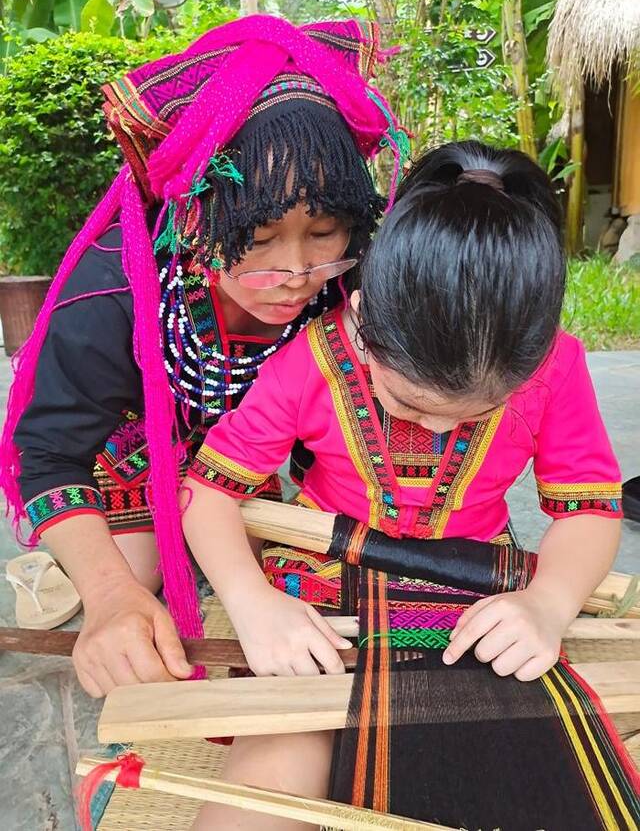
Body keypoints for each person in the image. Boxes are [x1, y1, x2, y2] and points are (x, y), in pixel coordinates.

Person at [182, 140, 623, 830]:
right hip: (324, 587)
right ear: (363, 319)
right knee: (276, 769)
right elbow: (208, 490)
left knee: (536, 766)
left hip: (474, 591)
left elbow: (590, 507)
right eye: (409, 404)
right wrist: (250, 600)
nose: (436, 426)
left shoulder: (554, 367)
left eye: (468, 414)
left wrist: (549, 602)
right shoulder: (315, 360)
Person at [0, 14, 408, 698]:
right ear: (193, 215)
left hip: (252, 440)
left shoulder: (352, 274)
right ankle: (66, 566)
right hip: (134, 440)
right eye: (258, 234)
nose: (298, 271)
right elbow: (46, 455)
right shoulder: (111, 293)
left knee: (294, 562)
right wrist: (109, 596)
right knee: (139, 578)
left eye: (325, 229)